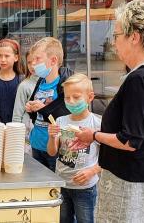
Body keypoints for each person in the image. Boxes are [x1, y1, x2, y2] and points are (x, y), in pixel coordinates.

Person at [71, 0, 144, 222]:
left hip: (130, 184)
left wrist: (93, 136)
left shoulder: (138, 80)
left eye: (117, 35)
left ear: (134, 38)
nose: (113, 42)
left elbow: (129, 140)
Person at [47, 73, 101, 223]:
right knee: (64, 219)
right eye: (67, 97)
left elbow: (108, 157)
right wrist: (52, 137)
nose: (71, 101)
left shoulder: (96, 123)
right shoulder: (60, 120)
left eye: (76, 97)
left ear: (90, 97)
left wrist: (92, 171)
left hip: (85, 187)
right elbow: (52, 152)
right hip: (62, 182)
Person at [25, 37, 73, 171]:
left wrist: (44, 108)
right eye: (32, 60)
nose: (33, 64)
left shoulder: (64, 85)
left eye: (38, 59)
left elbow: (66, 115)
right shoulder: (40, 82)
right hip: (36, 144)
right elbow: (37, 112)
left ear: (53, 60)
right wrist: (31, 108)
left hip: (54, 148)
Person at [12, 51, 38, 154]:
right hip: (27, 134)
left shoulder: (51, 83)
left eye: (36, 62)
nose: (32, 66)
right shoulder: (24, 85)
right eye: (29, 62)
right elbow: (17, 115)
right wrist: (16, 139)